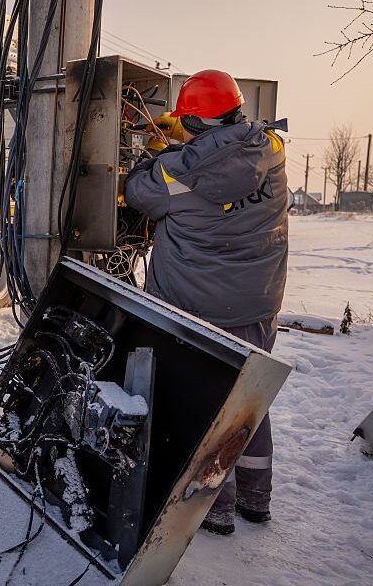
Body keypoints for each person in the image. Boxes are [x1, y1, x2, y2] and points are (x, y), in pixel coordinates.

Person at [124, 69, 289, 536]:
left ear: (193, 123)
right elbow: (226, 156)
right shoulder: (271, 150)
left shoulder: (176, 171)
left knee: (204, 398)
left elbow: (139, 192)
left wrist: (159, 148)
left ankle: (214, 506)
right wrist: (194, 141)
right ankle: (256, 500)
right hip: (259, 302)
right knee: (249, 395)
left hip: (195, 306)